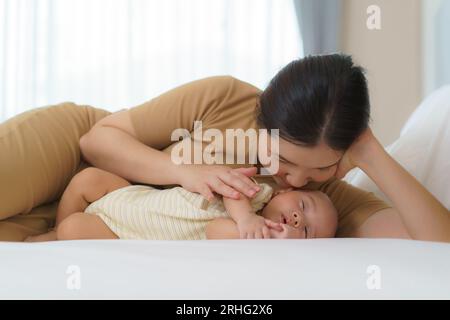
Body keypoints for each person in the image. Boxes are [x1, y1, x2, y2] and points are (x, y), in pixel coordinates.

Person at [1, 54, 448, 242]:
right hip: (81, 164)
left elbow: (435, 243)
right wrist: (182, 172)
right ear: (261, 119)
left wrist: (368, 150)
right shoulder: (226, 97)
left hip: (99, 228)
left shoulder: (321, 204)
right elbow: (96, 139)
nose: (294, 180)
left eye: (318, 170)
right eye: (286, 160)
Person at [24, 167, 338, 241]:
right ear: (285, 191)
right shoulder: (259, 191)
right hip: (138, 196)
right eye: (304, 205)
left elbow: (216, 229)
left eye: (307, 231)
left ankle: (56, 238)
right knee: (88, 178)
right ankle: (51, 232)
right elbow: (231, 190)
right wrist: (246, 217)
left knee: (73, 229)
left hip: (125, 230)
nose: (298, 218)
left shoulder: (249, 238)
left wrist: (264, 238)